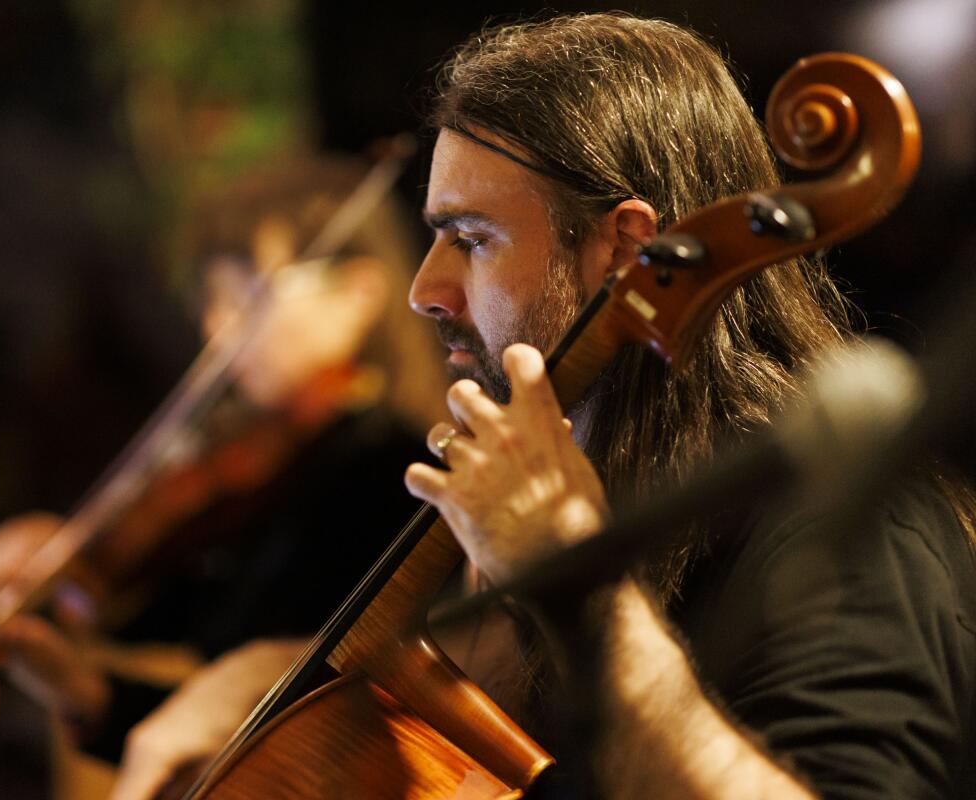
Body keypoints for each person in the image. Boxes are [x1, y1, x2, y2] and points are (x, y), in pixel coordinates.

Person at [401, 13, 975, 799]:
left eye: (470, 239)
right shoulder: (580, 488)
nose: (424, 292)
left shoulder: (841, 523)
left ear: (627, 248)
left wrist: (581, 590)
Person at [0, 156, 449, 799]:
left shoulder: (389, 474)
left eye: (249, 297)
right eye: (213, 300)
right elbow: (204, 699)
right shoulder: (257, 468)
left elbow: (288, 726)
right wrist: (79, 682)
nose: (216, 329)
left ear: (356, 297)